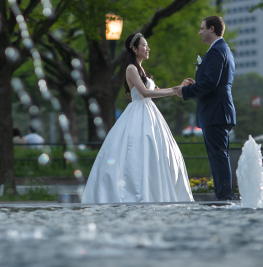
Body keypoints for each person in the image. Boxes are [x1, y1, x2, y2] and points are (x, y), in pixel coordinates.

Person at [81, 32, 193, 203]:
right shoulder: (131, 68)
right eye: (144, 45)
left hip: (149, 112)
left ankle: (155, 192)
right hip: (139, 111)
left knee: (157, 152)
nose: (148, 48)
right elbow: (145, 92)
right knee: (137, 151)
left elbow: (154, 90)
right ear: (134, 49)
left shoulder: (142, 70)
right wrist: (173, 92)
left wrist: (181, 87)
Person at [176, 16, 236, 201]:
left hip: (216, 112)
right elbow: (213, 82)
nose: (199, 32)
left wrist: (185, 91)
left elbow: (210, 84)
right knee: (218, 157)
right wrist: (197, 84)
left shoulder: (217, 51)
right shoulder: (221, 49)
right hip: (218, 111)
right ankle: (224, 197)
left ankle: (225, 199)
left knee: (218, 158)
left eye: (202, 28)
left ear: (211, 29)